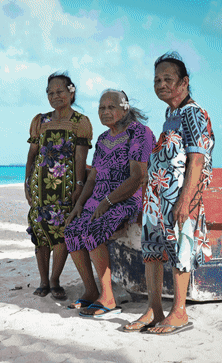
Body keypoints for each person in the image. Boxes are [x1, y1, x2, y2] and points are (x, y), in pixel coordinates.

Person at [124, 51, 215, 334]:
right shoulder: (170, 113)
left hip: (179, 198)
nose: (161, 84)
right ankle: (154, 309)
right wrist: (148, 201)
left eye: (168, 79)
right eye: (157, 79)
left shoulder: (194, 113)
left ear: (184, 82)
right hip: (156, 198)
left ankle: (179, 313)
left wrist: (185, 201)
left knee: (180, 250)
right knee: (152, 251)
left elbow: (197, 159)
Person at [64, 89, 155, 316]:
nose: (105, 112)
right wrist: (79, 205)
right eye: (101, 107)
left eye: (111, 107)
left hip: (127, 199)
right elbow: (93, 177)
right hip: (99, 200)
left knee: (94, 230)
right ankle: (91, 291)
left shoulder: (140, 134)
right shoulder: (104, 139)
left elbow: (137, 177)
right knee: (72, 230)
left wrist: (107, 202)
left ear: (125, 108)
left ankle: (108, 298)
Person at [25, 72, 93, 301]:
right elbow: (32, 155)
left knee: (62, 234)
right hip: (39, 190)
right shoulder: (40, 121)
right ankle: (43, 281)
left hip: (66, 189)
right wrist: (27, 183)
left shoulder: (80, 122)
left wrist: (79, 186)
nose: (55, 96)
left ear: (71, 92)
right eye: (50, 93)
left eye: (60, 92)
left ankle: (55, 280)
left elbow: (80, 159)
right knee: (40, 232)